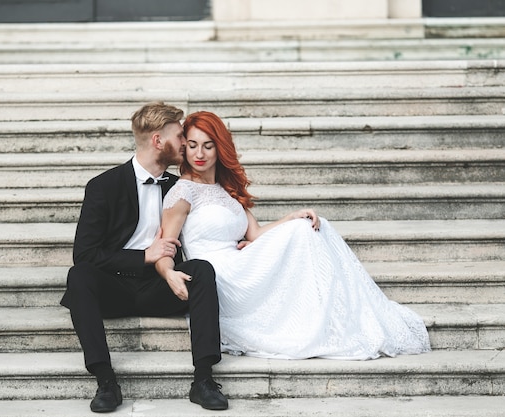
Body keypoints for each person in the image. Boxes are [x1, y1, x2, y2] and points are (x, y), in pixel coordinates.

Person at [156, 111, 431, 361]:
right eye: (192, 145)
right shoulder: (183, 193)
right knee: (302, 232)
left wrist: (292, 217)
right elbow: (164, 247)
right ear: (184, 147)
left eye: (208, 145)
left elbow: (256, 234)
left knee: (310, 226)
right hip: (219, 278)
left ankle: (337, 315)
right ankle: (330, 316)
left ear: (220, 148)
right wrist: (169, 274)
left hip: (241, 265)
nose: (199, 153)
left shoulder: (226, 190)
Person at [60, 103, 228, 413]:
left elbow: (213, 223)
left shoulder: (181, 187)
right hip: (115, 289)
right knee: (79, 276)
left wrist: (242, 242)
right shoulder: (104, 186)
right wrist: (143, 257)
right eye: (180, 137)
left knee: (202, 270)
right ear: (157, 140)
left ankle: (203, 380)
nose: (186, 145)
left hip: (161, 286)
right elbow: (84, 254)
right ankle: (106, 381)